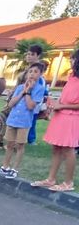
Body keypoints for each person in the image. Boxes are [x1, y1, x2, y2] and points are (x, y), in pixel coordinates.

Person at [31, 50, 79, 192]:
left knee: (68, 150)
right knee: (56, 148)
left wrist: (62, 105)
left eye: (73, 59)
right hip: (61, 116)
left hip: (72, 118)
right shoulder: (72, 78)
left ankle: (68, 182)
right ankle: (51, 178)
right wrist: (55, 105)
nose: (71, 61)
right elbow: (64, 98)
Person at [0, 62, 46, 179]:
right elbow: (11, 103)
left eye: (36, 72)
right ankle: (5, 167)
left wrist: (28, 92)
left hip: (24, 122)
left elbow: (31, 106)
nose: (32, 74)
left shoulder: (39, 89)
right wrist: (22, 91)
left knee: (20, 145)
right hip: (13, 120)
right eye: (30, 71)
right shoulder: (20, 87)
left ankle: (15, 169)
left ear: (41, 74)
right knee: (9, 144)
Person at [0, 44, 47, 149]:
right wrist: (12, 92)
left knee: (19, 121)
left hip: (26, 99)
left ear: (38, 56)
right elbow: (19, 85)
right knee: (4, 116)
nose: (29, 56)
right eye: (28, 54)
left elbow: (37, 87)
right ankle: (1, 139)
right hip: (16, 96)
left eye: (32, 54)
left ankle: (13, 143)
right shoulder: (27, 69)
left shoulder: (38, 70)